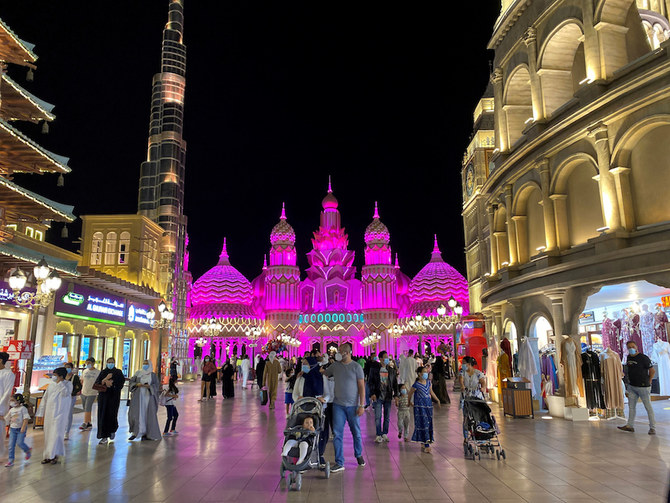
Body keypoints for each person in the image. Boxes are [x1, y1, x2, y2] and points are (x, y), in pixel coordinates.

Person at [322, 343, 366, 472]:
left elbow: (361, 387)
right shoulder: (335, 366)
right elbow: (324, 374)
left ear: (347, 353)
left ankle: (358, 454)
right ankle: (339, 461)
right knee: (337, 434)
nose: (338, 354)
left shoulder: (356, 367)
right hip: (338, 405)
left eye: (340, 352)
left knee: (356, 433)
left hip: (352, 406)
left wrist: (361, 405)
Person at [619, 341, 656, 435]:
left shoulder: (644, 358)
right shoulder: (629, 358)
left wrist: (650, 380)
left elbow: (652, 371)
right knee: (631, 407)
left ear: (636, 347)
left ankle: (652, 428)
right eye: (629, 347)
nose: (631, 348)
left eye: (632, 346)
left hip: (643, 387)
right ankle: (629, 425)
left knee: (648, 407)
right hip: (632, 387)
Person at [36, 367, 73, 464]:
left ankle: (54, 455)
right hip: (49, 413)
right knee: (48, 434)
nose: (53, 377)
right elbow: (45, 398)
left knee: (56, 434)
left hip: (60, 414)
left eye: (55, 375)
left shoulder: (68, 385)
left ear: (61, 376)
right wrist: (40, 412)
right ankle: (48, 455)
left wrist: (60, 383)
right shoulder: (51, 385)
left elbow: (66, 393)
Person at [368, 350, 398, 443]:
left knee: (387, 416)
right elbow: (371, 382)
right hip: (378, 395)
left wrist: (396, 395)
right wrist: (372, 393)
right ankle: (378, 434)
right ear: (380, 359)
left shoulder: (392, 370)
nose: (387, 359)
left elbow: (395, 383)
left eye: (387, 357)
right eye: (385, 357)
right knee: (377, 416)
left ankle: (385, 433)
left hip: (388, 396)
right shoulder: (374, 370)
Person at [408, 366, 440, 454]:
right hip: (419, 407)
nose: (426, 374)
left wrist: (437, 400)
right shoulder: (416, 384)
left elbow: (431, 392)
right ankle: (426, 444)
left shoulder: (429, 383)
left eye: (427, 372)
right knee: (423, 423)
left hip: (428, 406)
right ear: (419, 374)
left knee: (428, 424)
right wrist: (409, 402)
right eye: (424, 372)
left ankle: (424, 441)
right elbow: (410, 394)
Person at [94, 357, 125, 445]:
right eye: (108, 362)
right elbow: (97, 384)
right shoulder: (103, 372)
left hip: (113, 398)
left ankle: (112, 430)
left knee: (112, 414)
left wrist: (113, 384)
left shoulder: (118, 372)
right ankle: (104, 436)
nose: (110, 364)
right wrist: (105, 380)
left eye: (112, 362)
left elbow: (120, 383)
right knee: (102, 415)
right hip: (103, 398)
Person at [128, 360, 161, 441]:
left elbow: (157, 385)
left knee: (147, 414)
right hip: (138, 397)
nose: (145, 365)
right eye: (144, 364)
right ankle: (136, 432)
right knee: (137, 414)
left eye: (146, 364)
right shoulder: (138, 373)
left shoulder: (152, 375)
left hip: (148, 397)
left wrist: (149, 387)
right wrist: (136, 384)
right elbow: (132, 382)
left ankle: (147, 433)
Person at [3, 393, 31, 467]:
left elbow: (26, 419)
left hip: (21, 429)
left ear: (18, 401)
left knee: (20, 443)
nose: (11, 402)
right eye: (11, 400)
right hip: (13, 429)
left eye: (13, 400)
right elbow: (6, 418)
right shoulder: (11, 410)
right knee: (11, 445)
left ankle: (27, 450)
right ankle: (10, 461)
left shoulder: (23, 409)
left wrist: (23, 428)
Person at [0, 352, 15, 460]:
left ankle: (0, 453)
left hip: (1, 407)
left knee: (0, 430)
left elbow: (7, 392)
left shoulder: (8, 374)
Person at [79, 357, 100, 431]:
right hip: (84, 392)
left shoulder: (98, 372)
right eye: (87, 363)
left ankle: (85, 423)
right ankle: (89, 422)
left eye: (89, 363)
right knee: (85, 408)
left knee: (88, 407)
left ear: (93, 363)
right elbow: (82, 381)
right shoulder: (85, 371)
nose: (88, 364)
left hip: (92, 392)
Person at [63, 362, 82, 440]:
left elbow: (79, 387)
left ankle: (67, 431)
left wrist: (74, 393)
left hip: (71, 397)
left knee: (68, 413)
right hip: (63, 397)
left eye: (68, 367)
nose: (67, 369)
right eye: (66, 367)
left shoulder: (75, 377)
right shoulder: (63, 376)